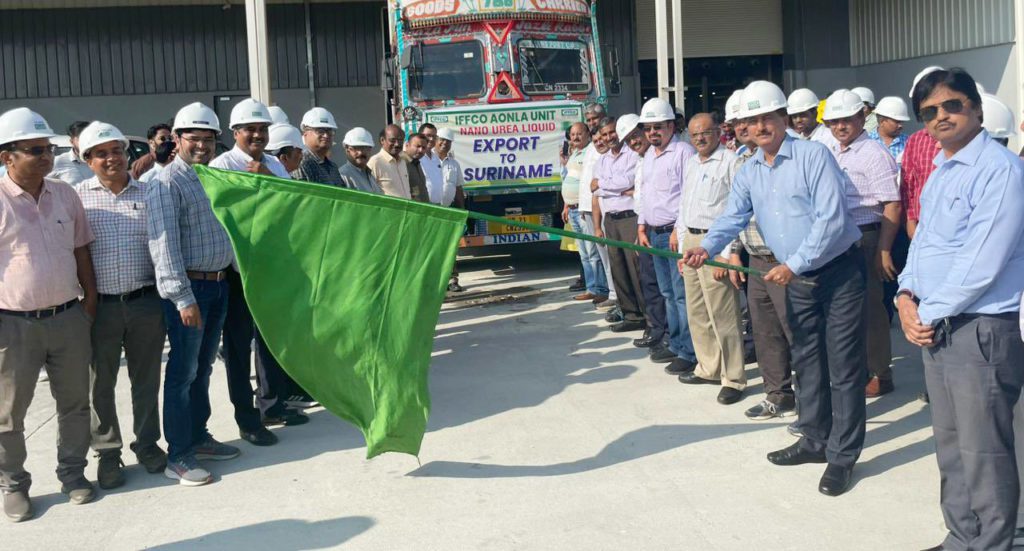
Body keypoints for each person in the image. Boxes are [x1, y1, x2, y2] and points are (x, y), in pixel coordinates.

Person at [683, 81, 866, 497]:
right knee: (808, 361)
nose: (761, 126)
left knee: (843, 366)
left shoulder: (813, 156)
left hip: (837, 272)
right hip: (796, 277)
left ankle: (842, 456)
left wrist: (794, 264)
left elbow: (832, 218)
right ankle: (814, 439)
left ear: (785, 118)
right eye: (752, 121)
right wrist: (706, 247)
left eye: (768, 117)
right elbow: (733, 215)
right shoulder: (750, 171)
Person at [897, 67, 1024, 551]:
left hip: (979, 329)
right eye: (929, 111)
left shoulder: (1000, 171)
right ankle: (961, 536)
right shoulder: (941, 171)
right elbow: (924, 246)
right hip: (937, 326)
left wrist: (926, 312)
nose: (941, 116)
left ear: (976, 108)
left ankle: (992, 543)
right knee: (951, 444)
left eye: (952, 105)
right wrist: (905, 297)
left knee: (984, 451)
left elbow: (981, 264)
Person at [0, 108, 98, 521]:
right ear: (7, 156)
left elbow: (81, 249)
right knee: (8, 414)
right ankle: (13, 484)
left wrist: (89, 301)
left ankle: (73, 474)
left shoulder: (65, 194)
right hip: (13, 324)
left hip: (67, 318)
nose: (46, 157)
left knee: (75, 404)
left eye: (49, 149)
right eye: (35, 150)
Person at [147, 102, 241, 487]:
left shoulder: (208, 176)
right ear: (176, 139)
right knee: (183, 373)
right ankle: (179, 455)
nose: (202, 145)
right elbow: (164, 246)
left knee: (202, 368)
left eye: (208, 139)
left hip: (217, 284)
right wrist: (182, 298)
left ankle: (198, 436)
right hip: (191, 290)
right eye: (194, 138)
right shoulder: (166, 183)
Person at [75, 122, 168, 491]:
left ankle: (147, 444)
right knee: (100, 384)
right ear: (88, 160)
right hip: (101, 308)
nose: (111, 158)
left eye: (117, 150)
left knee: (146, 380)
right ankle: (108, 452)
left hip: (145, 302)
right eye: (101, 154)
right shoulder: (78, 198)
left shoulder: (150, 193)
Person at [210, 98, 307, 448]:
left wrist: (267, 179)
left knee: (271, 340)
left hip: (272, 267)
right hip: (238, 271)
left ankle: (272, 404)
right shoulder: (222, 166)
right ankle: (247, 419)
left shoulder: (273, 164)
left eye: (262, 129)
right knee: (238, 348)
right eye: (249, 129)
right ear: (235, 132)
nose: (257, 135)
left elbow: (292, 204)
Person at [822, 89, 901, 398]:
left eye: (847, 120)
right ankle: (857, 369)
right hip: (838, 236)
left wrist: (883, 250)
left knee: (870, 308)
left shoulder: (873, 153)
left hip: (866, 235)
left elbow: (891, 204)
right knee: (844, 309)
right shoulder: (832, 150)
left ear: (861, 117)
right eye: (834, 122)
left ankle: (881, 373)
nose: (840, 126)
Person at [725, 99, 797, 421]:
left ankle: (812, 402)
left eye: (755, 119)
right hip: (755, 260)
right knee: (766, 333)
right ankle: (778, 395)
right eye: (741, 121)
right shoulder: (744, 162)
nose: (747, 127)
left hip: (787, 262)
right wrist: (731, 250)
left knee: (798, 334)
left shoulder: (798, 156)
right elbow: (734, 214)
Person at [674, 113, 746, 405]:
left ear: (718, 132)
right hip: (691, 241)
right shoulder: (692, 163)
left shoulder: (730, 162)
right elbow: (684, 205)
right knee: (698, 311)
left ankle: (733, 378)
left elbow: (738, 210)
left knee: (723, 315)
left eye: (705, 132)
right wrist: (682, 247)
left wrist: (727, 253)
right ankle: (709, 367)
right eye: (694, 135)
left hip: (715, 243)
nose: (700, 139)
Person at [636, 97, 699, 375]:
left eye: (658, 127)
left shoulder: (683, 152)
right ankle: (675, 344)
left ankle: (689, 351)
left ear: (671, 126)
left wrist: (677, 230)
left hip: (673, 233)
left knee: (681, 295)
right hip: (654, 233)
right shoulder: (649, 155)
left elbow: (688, 195)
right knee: (667, 294)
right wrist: (641, 225)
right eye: (648, 128)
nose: (652, 133)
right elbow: (645, 193)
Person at [620, 114, 671, 361]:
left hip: (666, 230)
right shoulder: (644, 160)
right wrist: (640, 229)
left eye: (635, 136)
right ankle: (657, 330)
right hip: (647, 228)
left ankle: (669, 335)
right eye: (628, 140)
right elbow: (644, 198)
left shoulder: (667, 155)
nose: (633, 142)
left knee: (668, 290)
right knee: (650, 284)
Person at [592, 117, 645, 333]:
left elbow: (628, 181)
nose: (609, 137)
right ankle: (631, 315)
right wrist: (615, 188)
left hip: (630, 217)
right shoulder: (601, 161)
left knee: (636, 268)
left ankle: (648, 317)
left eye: (611, 132)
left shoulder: (632, 154)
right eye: (604, 134)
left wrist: (604, 185)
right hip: (611, 219)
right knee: (618, 269)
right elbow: (595, 189)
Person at [562, 123, 608, 303]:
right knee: (584, 254)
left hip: (585, 209)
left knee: (593, 253)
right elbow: (570, 179)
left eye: (579, 134)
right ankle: (591, 288)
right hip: (573, 209)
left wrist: (582, 206)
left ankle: (600, 289)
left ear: (587, 134)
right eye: (572, 134)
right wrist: (566, 205)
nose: (575, 137)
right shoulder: (575, 153)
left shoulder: (592, 151)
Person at [435, 127, 466, 292]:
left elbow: (458, 188)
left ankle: (452, 280)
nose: (444, 143)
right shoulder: (427, 160)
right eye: (442, 140)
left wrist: (462, 211)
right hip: (432, 211)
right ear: (435, 140)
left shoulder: (454, 164)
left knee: (450, 247)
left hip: (448, 211)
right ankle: (435, 282)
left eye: (448, 141)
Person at [291, 107, 343, 186]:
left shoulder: (333, 167)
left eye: (330, 131)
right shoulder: (300, 163)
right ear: (305, 132)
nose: (326, 135)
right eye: (320, 131)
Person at [368, 125, 412, 199]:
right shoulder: (375, 162)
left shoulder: (402, 161)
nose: (397, 144)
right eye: (392, 140)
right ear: (382, 140)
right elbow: (369, 192)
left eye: (400, 140)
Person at [338, 127, 383, 194]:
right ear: (347, 149)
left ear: (370, 149)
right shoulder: (343, 176)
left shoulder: (370, 175)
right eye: (355, 148)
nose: (360, 152)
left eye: (364, 148)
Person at [868, 96, 910, 167]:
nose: (900, 126)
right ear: (882, 122)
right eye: (897, 122)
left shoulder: (909, 142)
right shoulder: (867, 141)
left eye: (902, 122)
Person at [49, 120, 94, 186]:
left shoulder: (101, 161)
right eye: (82, 139)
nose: (86, 143)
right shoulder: (58, 162)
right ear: (72, 142)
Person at [417, 123, 445, 205]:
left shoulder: (435, 157)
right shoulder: (416, 156)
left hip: (438, 204)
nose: (431, 139)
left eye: (434, 136)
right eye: (428, 135)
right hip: (423, 204)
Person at [402, 133, 432, 203]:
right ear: (407, 145)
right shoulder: (400, 162)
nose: (421, 150)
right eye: (418, 146)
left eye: (424, 148)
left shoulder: (416, 162)